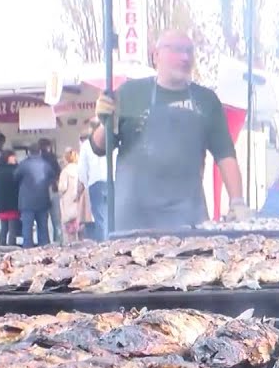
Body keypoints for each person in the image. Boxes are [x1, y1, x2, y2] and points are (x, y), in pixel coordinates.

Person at [92, 29, 246, 232]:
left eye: (189, 51)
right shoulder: (130, 93)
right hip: (133, 217)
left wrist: (237, 201)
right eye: (177, 50)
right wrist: (105, 122)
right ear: (156, 55)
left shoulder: (206, 100)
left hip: (188, 216)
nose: (185, 57)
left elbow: (225, 154)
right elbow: (99, 147)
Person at [14, 148, 56, 247]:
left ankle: (27, 251)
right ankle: (45, 251)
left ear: (28, 153)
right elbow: (52, 177)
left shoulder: (23, 164)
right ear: (40, 152)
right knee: (43, 229)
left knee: (27, 230)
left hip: (27, 202)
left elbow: (15, 177)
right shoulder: (46, 164)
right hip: (43, 201)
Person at [78, 120, 109, 240]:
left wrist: (86, 184)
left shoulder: (87, 145)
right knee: (113, 216)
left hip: (96, 183)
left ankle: (104, 244)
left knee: (100, 218)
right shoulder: (112, 141)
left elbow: (82, 170)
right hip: (113, 181)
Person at [59, 147, 89, 243]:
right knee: (81, 229)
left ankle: (71, 246)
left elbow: (62, 187)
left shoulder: (65, 171)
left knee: (70, 231)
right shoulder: (80, 169)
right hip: (79, 202)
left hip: (69, 204)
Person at [0, 150, 20, 246]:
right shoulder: (14, 170)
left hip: (0, 203)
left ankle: (1, 246)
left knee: (4, 228)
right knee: (12, 229)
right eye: (13, 156)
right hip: (13, 203)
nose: (15, 158)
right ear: (8, 158)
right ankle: (11, 248)